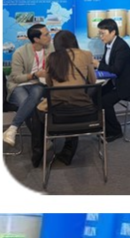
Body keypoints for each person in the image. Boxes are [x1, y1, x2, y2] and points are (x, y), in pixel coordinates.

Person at [35, 30, 98, 167]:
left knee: (38, 110)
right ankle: (69, 146)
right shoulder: (86, 54)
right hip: (83, 108)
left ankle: (39, 149)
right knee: (73, 106)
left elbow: (49, 84)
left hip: (57, 110)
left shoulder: (51, 57)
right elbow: (92, 81)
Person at [3, 24, 52, 149]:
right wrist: (34, 75)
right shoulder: (20, 53)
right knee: (30, 105)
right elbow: (16, 77)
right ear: (36, 39)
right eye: (46, 34)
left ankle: (13, 128)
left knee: (36, 92)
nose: (49, 36)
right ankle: (42, 140)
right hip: (19, 86)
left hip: (41, 86)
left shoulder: (51, 49)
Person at [93, 18, 130, 141]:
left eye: (103, 34)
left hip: (126, 84)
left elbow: (116, 69)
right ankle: (104, 127)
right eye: (99, 34)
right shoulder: (109, 44)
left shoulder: (121, 47)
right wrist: (95, 65)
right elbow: (106, 63)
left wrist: (98, 65)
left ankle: (115, 131)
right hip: (115, 81)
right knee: (94, 95)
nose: (101, 37)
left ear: (113, 32)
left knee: (105, 101)